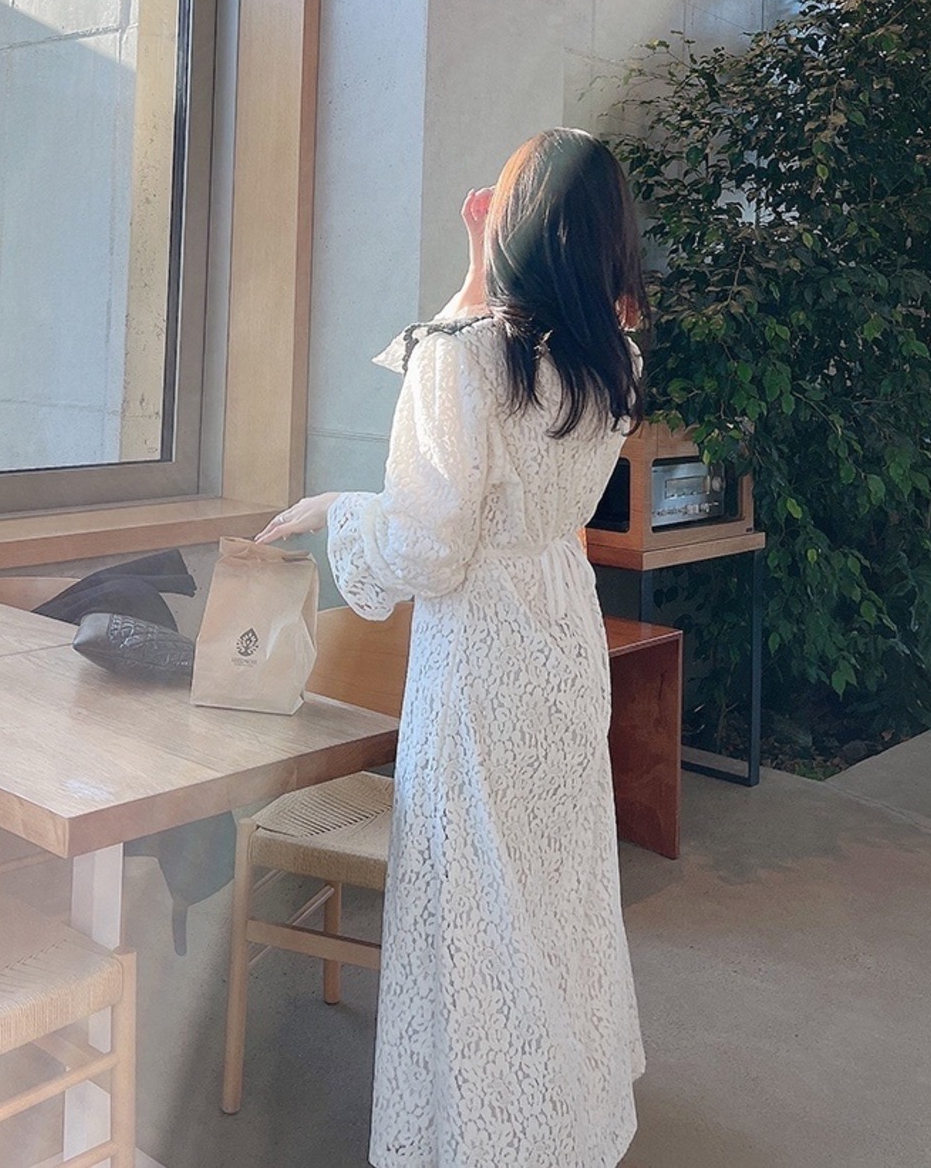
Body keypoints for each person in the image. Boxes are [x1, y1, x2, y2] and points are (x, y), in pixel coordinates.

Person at [256, 127, 648, 1168]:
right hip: (561, 638)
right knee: (552, 891)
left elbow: (429, 546)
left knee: (469, 900)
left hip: (479, 658)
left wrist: (336, 509)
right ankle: (561, 1120)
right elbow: (482, 394)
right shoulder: (610, 361)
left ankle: (483, 1140)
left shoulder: (463, 360)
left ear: (516, 226)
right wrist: (476, 274)